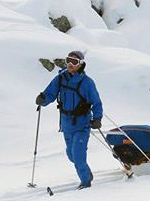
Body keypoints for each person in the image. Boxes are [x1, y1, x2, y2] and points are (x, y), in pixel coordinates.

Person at [35, 50, 103, 189]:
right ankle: (87, 173)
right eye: (68, 60)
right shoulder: (60, 78)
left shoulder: (87, 82)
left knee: (78, 155)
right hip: (66, 123)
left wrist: (97, 118)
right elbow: (50, 93)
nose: (70, 64)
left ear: (81, 64)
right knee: (71, 154)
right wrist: (43, 99)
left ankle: (85, 182)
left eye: (74, 61)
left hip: (82, 123)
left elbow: (96, 102)